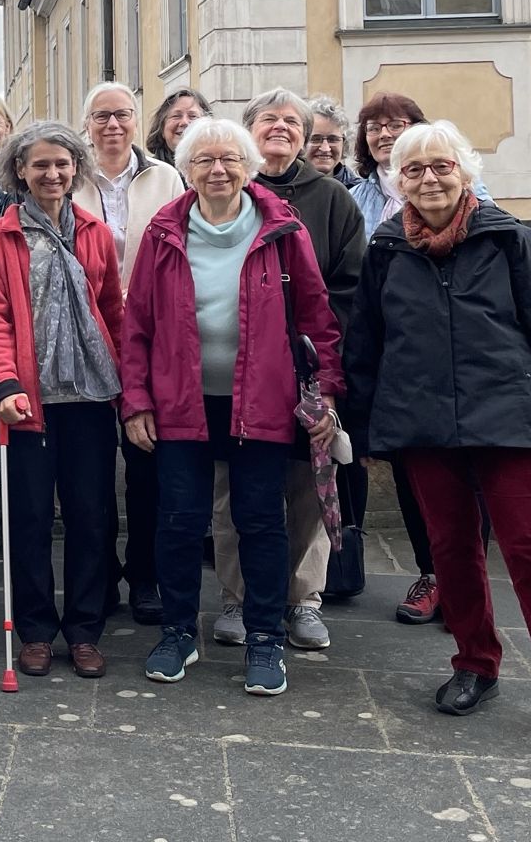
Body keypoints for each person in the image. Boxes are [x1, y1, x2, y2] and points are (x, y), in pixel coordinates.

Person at [344, 120, 531, 754]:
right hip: (424, 426)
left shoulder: (509, 238)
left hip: (510, 423)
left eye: (441, 166)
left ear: (465, 173)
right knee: (450, 552)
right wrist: (366, 431)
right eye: (413, 170)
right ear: (395, 180)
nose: (428, 179)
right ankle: (475, 663)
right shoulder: (385, 248)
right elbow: (367, 347)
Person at [122, 117, 342, 696]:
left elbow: (318, 320)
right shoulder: (164, 233)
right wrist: (137, 400)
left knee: (261, 522)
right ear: (187, 169)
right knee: (179, 522)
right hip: (180, 404)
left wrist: (327, 395)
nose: (217, 170)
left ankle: (265, 637)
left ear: (248, 167)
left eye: (229, 160)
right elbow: (137, 326)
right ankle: (177, 632)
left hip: (261, 401)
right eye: (203, 160)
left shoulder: (282, 230)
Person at [206, 88, 364, 654]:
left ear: (306, 133)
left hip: (304, 368)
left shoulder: (332, 199)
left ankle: (303, 599)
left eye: (291, 121)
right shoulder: (226, 191)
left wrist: (322, 367)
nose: (280, 127)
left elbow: (348, 290)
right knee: (232, 491)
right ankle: (237, 596)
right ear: (247, 130)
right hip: (237, 371)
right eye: (267, 119)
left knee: (307, 484)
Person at [0, 122, 123, 679]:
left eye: (61, 164)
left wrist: (128, 389)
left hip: (89, 395)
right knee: (30, 518)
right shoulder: (0, 237)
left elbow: (112, 311)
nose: (52, 174)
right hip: (28, 401)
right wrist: (5, 385)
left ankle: (84, 630)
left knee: (92, 517)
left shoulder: (95, 232)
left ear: (76, 168)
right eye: (40, 165)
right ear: (20, 171)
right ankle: (35, 630)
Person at [350, 91, 490, 625]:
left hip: (467, 362)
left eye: (398, 124)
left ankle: (467, 586)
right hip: (397, 353)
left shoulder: (480, 200)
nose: (384, 134)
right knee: (416, 477)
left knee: (473, 480)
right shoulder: (357, 195)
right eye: (375, 127)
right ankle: (434, 574)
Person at [72, 82, 184, 627]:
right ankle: (100, 574)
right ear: (86, 124)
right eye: (101, 117)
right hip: (86, 335)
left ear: (138, 121)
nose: (112, 125)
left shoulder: (165, 177)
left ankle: (145, 574)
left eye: (122, 115)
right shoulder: (69, 176)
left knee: (147, 465)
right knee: (91, 468)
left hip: (152, 333)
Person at [145, 87, 212, 169]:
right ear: (162, 128)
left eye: (193, 116)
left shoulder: (219, 170)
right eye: (176, 116)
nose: (184, 122)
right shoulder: (148, 173)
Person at [307, 95, 359, 188]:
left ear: (344, 144)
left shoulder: (358, 193)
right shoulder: (283, 188)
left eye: (333, 139)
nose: (325, 148)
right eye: (316, 139)